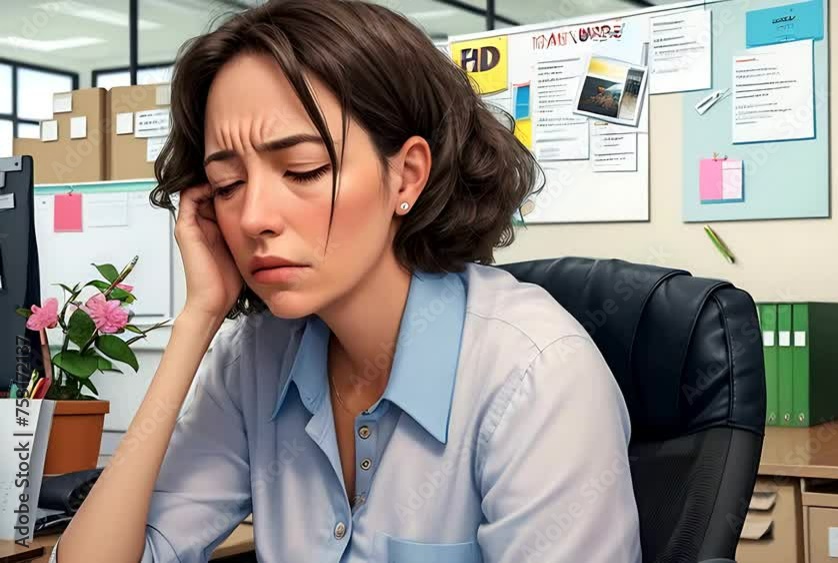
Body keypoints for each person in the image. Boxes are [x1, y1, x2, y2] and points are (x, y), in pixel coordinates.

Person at [52, 1, 641, 561]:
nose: (253, 216)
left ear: (407, 176)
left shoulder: (536, 378)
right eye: (227, 184)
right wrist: (199, 317)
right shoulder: (254, 360)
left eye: (303, 170)